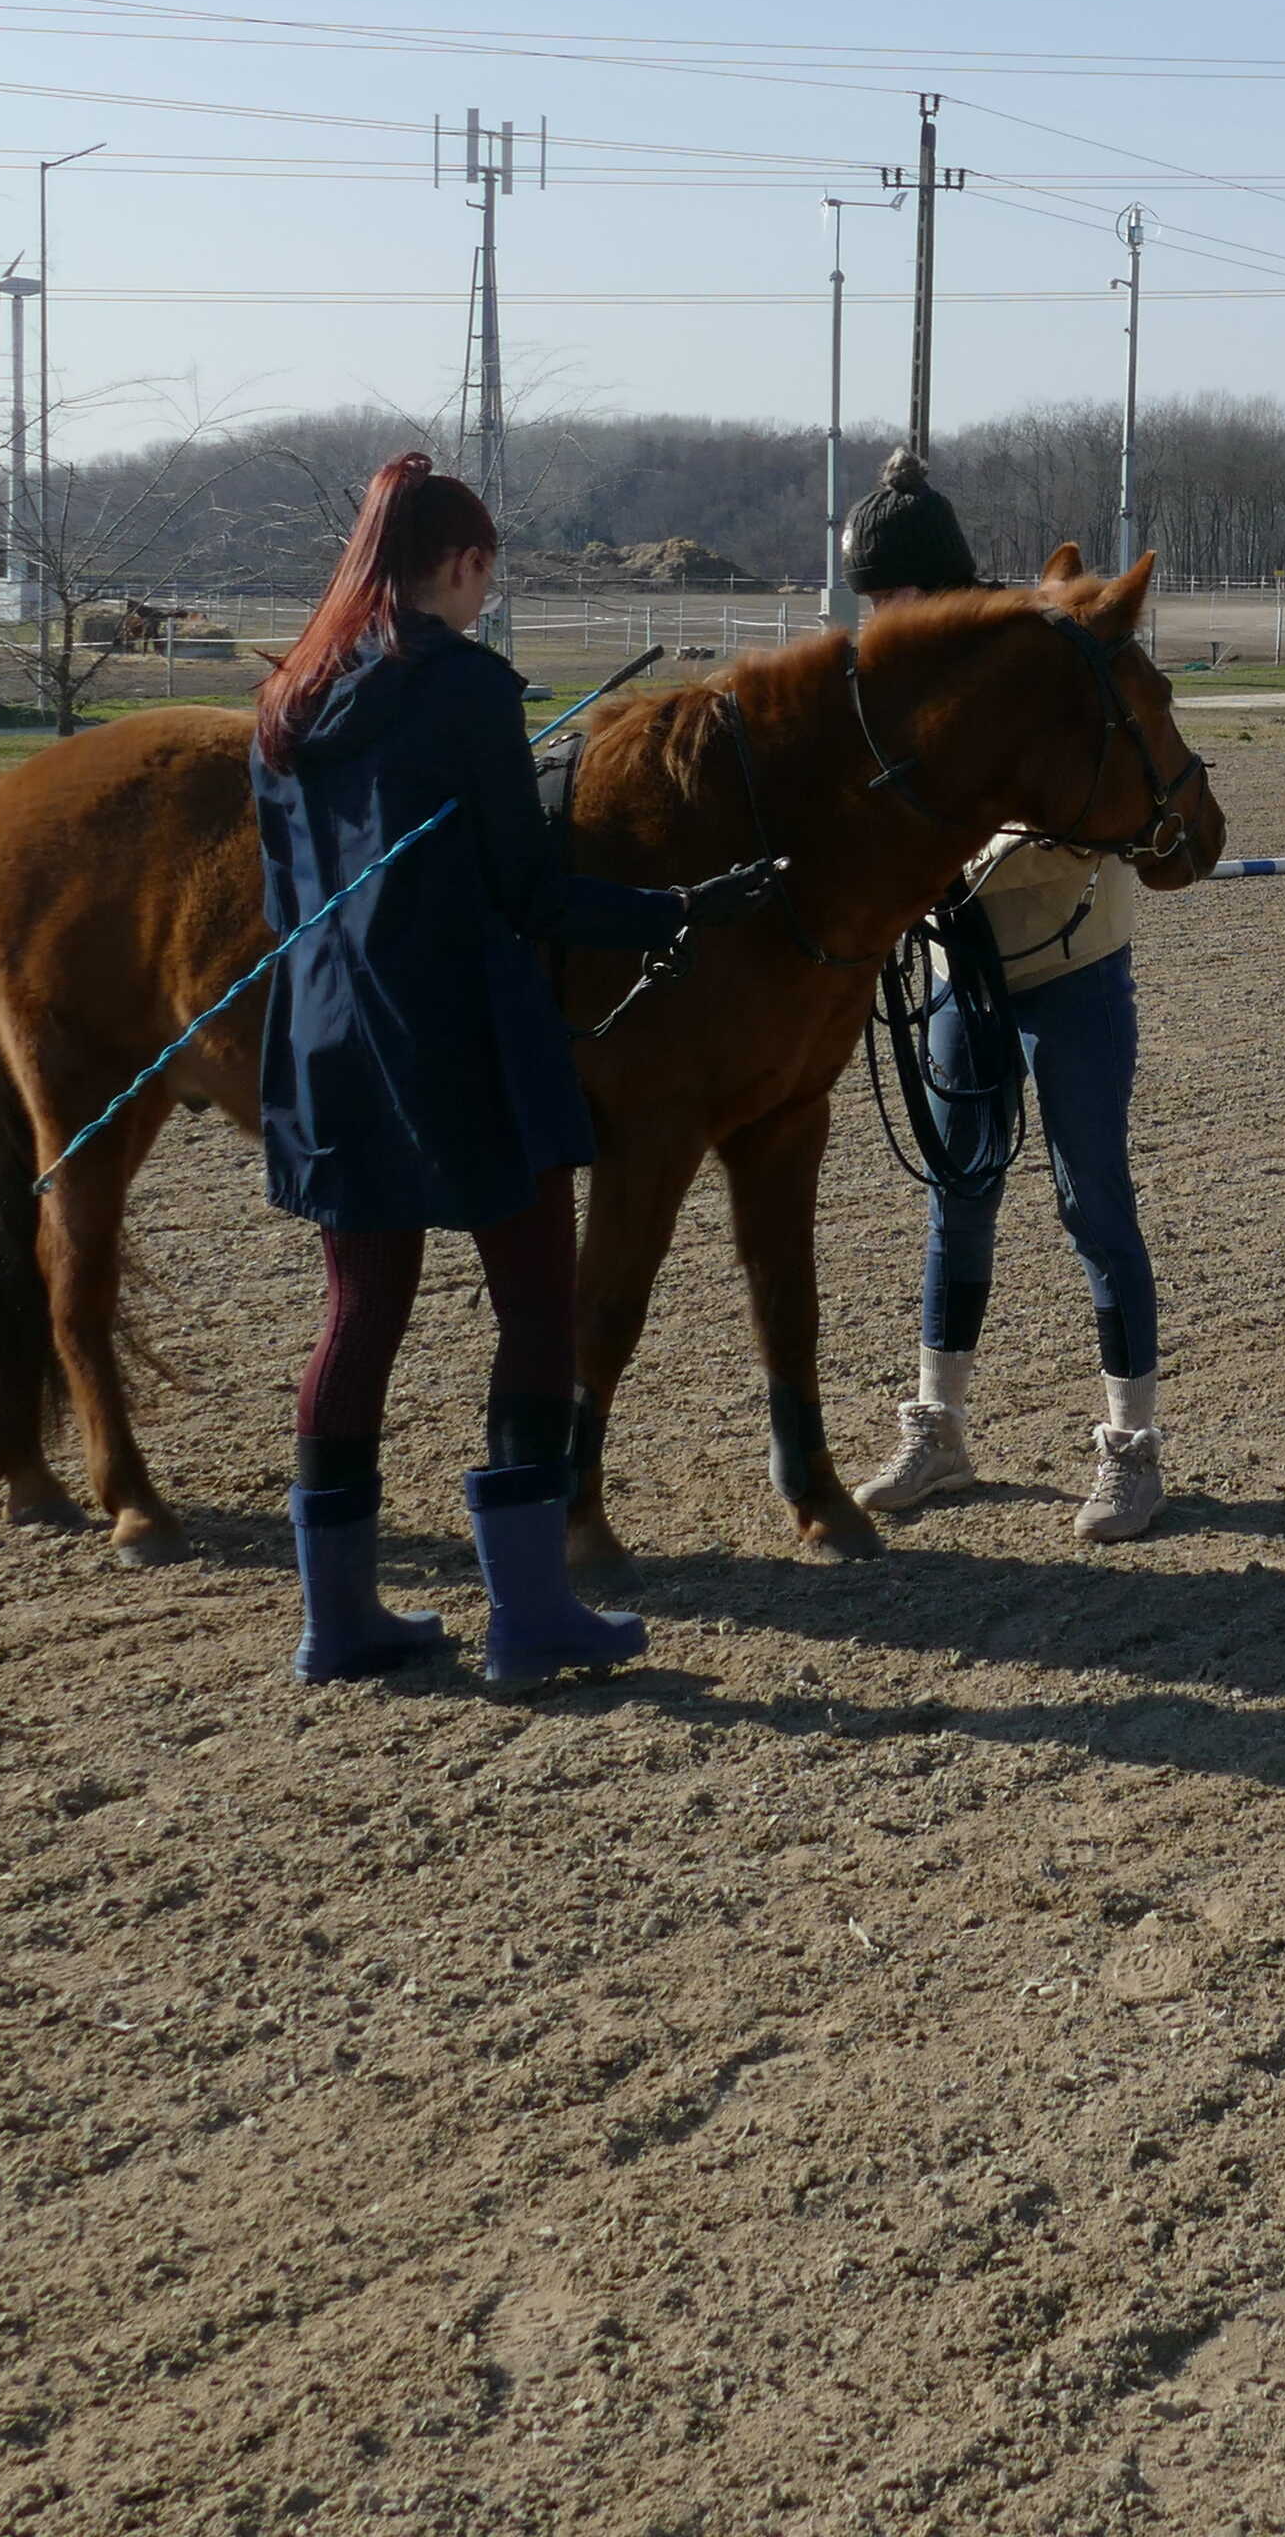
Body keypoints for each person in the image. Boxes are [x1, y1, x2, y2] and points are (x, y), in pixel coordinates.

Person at [252, 454, 779, 1686]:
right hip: (464, 1040)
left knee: (359, 1314)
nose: (484, 595)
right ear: (460, 564)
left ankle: (340, 1623)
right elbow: (531, 893)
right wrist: (679, 909)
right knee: (537, 1311)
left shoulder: (287, 698)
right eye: (484, 573)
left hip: (328, 1037)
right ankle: (531, 1616)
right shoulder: (468, 689)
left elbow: (290, 900)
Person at [838, 456, 1177, 1543]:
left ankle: (1132, 1450)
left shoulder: (1037, 659)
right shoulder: (881, 683)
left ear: (939, 585)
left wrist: (939, 864)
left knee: (1093, 1203)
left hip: (1072, 973)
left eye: (894, 595)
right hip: (960, 980)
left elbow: (1081, 820)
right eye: (869, 600)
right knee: (958, 1201)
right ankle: (940, 1431)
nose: (879, 618)